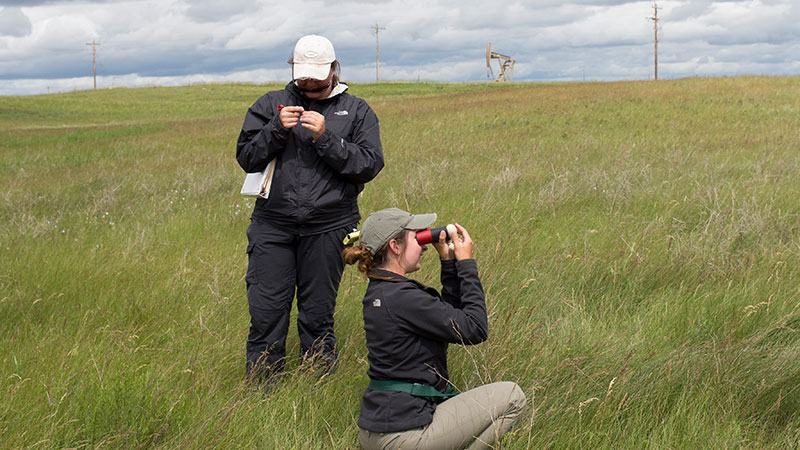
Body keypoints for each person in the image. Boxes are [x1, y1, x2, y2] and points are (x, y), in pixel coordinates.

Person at [236, 35, 384, 382]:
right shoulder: (270, 104)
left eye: (318, 74)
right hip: (272, 227)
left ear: (335, 68)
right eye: (304, 75)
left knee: (317, 314)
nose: (311, 82)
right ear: (293, 68)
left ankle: (317, 384)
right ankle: (262, 389)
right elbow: (246, 158)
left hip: (330, 227)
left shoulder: (357, 110)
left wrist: (326, 138)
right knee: (266, 312)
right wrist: (275, 129)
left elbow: (369, 165)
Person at [342, 208, 527, 450]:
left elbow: (449, 322)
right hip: (403, 437)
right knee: (513, 396)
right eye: (416, 238)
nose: (424, 245)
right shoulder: (402, 297)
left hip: (379, 432)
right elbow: (474, 328)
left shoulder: (382, 291)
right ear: (395, 246)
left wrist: (448, 263)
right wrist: (467, 264)